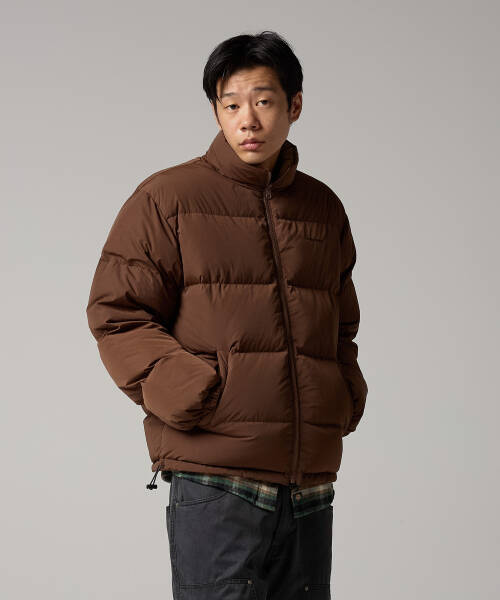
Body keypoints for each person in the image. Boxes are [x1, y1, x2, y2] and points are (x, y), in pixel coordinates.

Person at [86, 30, 368, 600]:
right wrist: (193, 391)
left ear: (294, 105)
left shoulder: (322, 208)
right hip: (217, 480)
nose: (247, 121)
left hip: (309, 484)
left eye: (263, 101)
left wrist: (343, 394)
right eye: (231, 105)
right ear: (216, 110)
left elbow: (340, 323)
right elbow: (117, 312)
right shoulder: (168, 198)